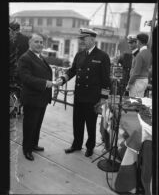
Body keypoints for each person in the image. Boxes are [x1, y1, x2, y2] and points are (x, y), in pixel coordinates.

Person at [55, 28, 111, 157]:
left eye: (84, 39)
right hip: (79, 95)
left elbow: (106, 80)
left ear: (92, 39)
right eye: (80, 39)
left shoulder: (102, 56)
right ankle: (76, 144)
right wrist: (63, 79)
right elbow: (72, 70)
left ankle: (90, 146)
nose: (81, 42)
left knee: (91, 124)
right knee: (77, 122)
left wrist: (103, 98)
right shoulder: (79, 55)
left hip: (93, 97)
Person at [18, 33, 54, 161]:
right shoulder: (25, 58)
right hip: (32, 98)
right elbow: (26, 78)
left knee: (37, 124)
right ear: (30, 43)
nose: (39, 44)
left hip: (42, 98)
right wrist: (45, 83)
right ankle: (26, 149)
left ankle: (33, 144)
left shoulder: (39, 57)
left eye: (41, 42)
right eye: (36, 42)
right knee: (29, 125)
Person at [126, 33, 152, 97]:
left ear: (139, 42)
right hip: (144, 80)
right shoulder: (149, 53)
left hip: (137, 81)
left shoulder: (140, 54)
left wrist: (129, 84)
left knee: (134, 103)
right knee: (139, 101)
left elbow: (136, 72)